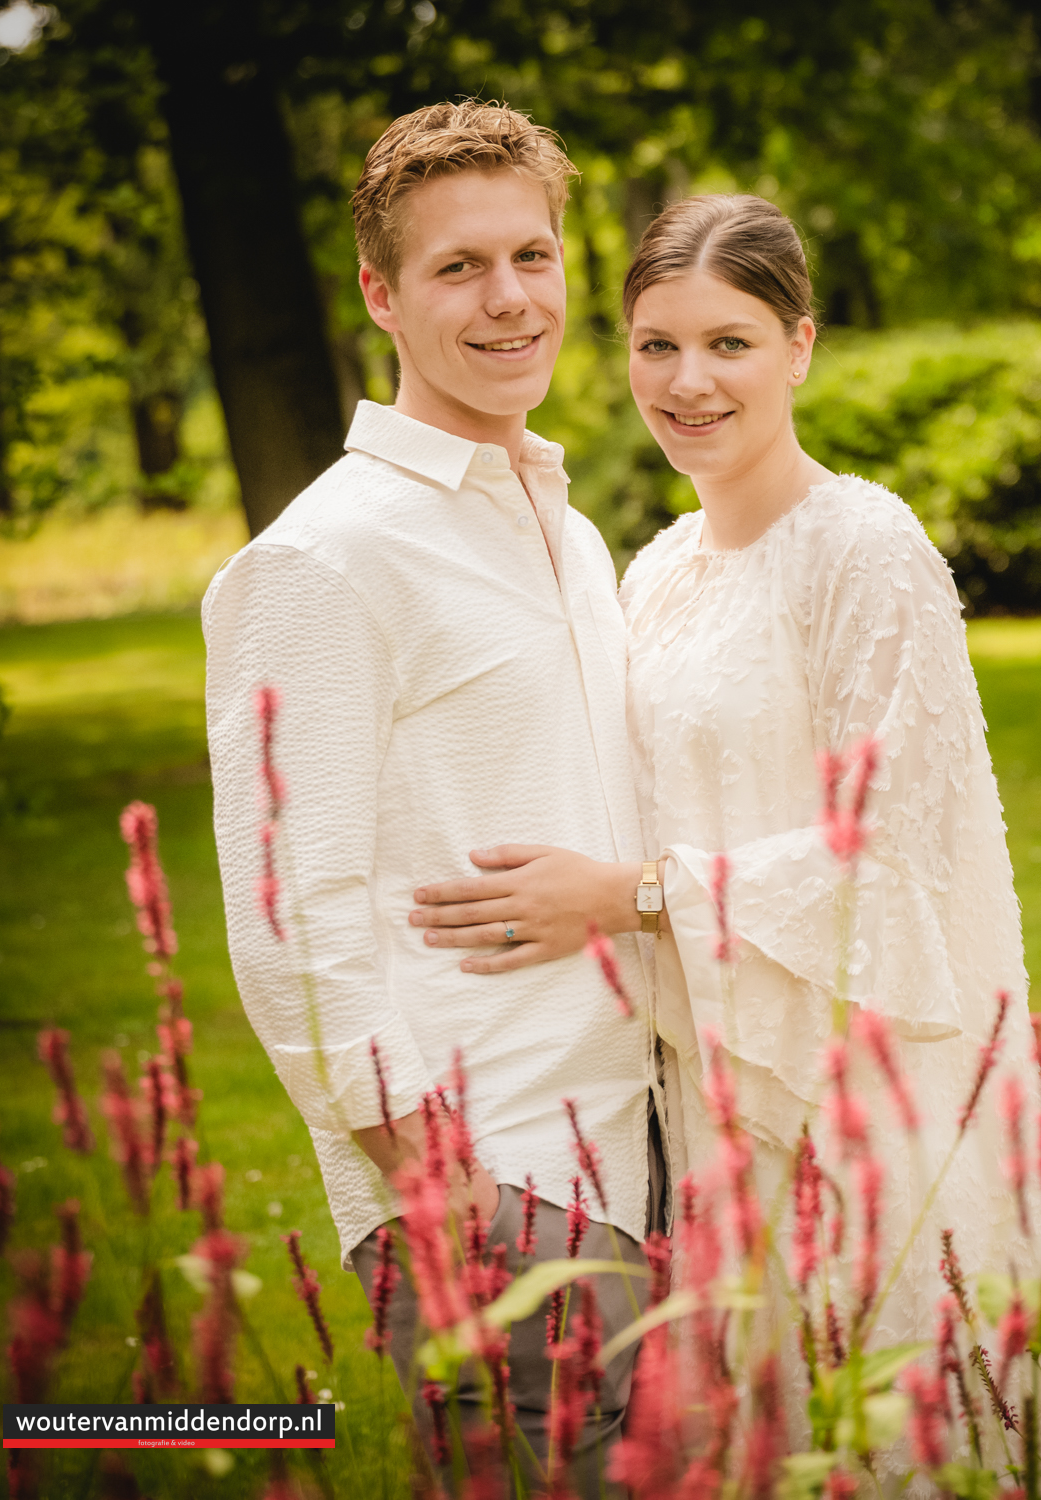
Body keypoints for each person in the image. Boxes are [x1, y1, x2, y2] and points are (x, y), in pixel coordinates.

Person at [410, 193, 1041, 1428]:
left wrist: (631, 895)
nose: (688, 381)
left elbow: (896, 851)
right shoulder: (652, 573)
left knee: (887, 1421)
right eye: (657, 345)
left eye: (729, 343)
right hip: (708, 1092)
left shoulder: (867, 549)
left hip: (864, 1080)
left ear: (799, 345)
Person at [202, 102, 668, 1492]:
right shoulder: (326, 561)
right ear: (380, 296)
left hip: (643, 1141)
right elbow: (288, 916)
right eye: (460, 267)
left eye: (533, 254)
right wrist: (433, 1181)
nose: (510, 298)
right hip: (499, 1169)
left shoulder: (565, 527)